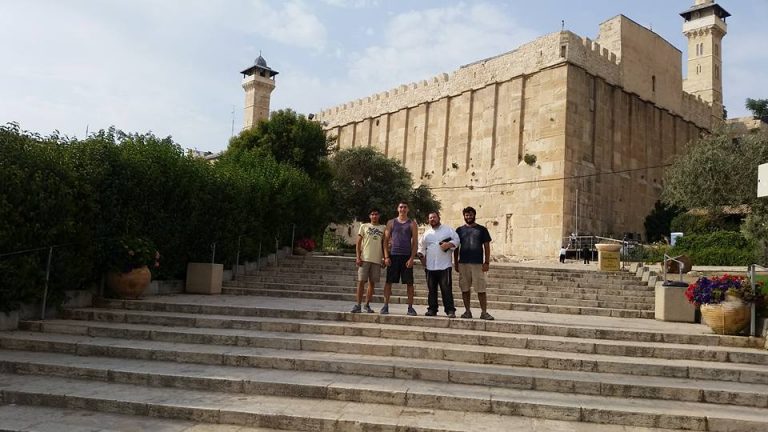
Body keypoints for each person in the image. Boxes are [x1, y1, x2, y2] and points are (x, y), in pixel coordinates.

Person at [454, 207, 494, 320]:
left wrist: (486, 262)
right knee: (465, 288)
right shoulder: (459, 230)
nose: (468, 217)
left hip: (478, 264)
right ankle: (467, 311)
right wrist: (456, 262)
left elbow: (486, 246)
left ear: (474, 215)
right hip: (463, 263)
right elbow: (456, 247)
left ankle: (484, 312)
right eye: (466, 215)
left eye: (470, 215)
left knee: (481, 288)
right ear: (464, 216)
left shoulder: (482, 230)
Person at [418, 211, 459, 318]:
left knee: (446, 289)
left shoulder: (448, 230)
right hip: (430, 266)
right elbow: (421, 247)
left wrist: (448, 244)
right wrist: (422, 259)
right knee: (431, 290)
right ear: (428, 220)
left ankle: (450, 310)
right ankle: (432, 309)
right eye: (430, 218)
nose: (432, 219)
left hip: (444, 266)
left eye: (434, 217)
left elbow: (457, 240)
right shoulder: (426, 233)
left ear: (439, 218)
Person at [382, 201, 418, 315]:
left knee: (409, 283)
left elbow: (415, 242)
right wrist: (386, 256)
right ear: (397, 209)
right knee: (388, 282)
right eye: (401, 207)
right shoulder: (391, 222)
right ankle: (385, 306)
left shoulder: (412, 224)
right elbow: (385, 241)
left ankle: (410, 307)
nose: (402, 209)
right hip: (393, 256)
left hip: (406, 257)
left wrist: (412, 258)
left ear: (408, 210)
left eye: (405, 207)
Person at [351, 208, 385, 313]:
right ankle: (358, 305)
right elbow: (358, 243)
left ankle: (367, 304)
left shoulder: (383, 228)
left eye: (376, 214)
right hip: (364, 258)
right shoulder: (364, 226)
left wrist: (385, 257)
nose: (374, 216)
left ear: (379, 216)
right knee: (361, 281)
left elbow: (384, 244)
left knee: (372, 283)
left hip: (377, 259)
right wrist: (358, 256)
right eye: (372, 214)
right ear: (370, 216)